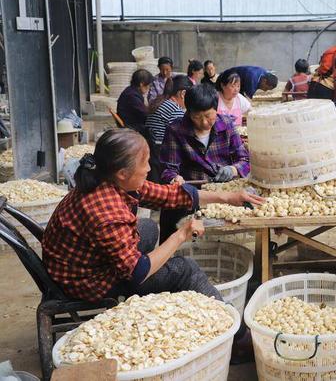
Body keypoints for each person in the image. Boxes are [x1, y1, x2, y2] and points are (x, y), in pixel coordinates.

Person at [41, 128, 263, 303]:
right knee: (184, 269)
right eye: (144, 163)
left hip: (85, 258)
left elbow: (168, 195)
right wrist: (181, 235)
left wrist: (228, 196)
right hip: (85, 282)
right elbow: (137, 272)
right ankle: (234, 334)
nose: (149, 168)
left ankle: (154, 289)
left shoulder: (108, 177)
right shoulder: (106, 210)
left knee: (147, 227)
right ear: (122, 173)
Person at [159, 84, 250, 241]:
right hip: (190, 193)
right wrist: (174, 178)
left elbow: (244, 159)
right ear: (188, 112)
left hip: (222, 193)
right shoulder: (175, 130)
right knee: (174, 228)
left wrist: (233, 170)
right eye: (196, 117)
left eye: (209, 116)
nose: (204, 122)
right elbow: (168, 169)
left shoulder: (226, 125)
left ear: (216, 108)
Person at [146, 75, 193, 145]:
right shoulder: (175, 110)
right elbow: (183, 137)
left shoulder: (160, 102)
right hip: (162, 150)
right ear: (183, 94)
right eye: (190, 96)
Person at [117, 69, 153, 134]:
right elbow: (145, 115)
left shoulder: (130, 90)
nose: (149, 88)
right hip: (132, 126)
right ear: (142, 84)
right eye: (149, 85)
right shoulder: (132, 96)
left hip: (131, 122)